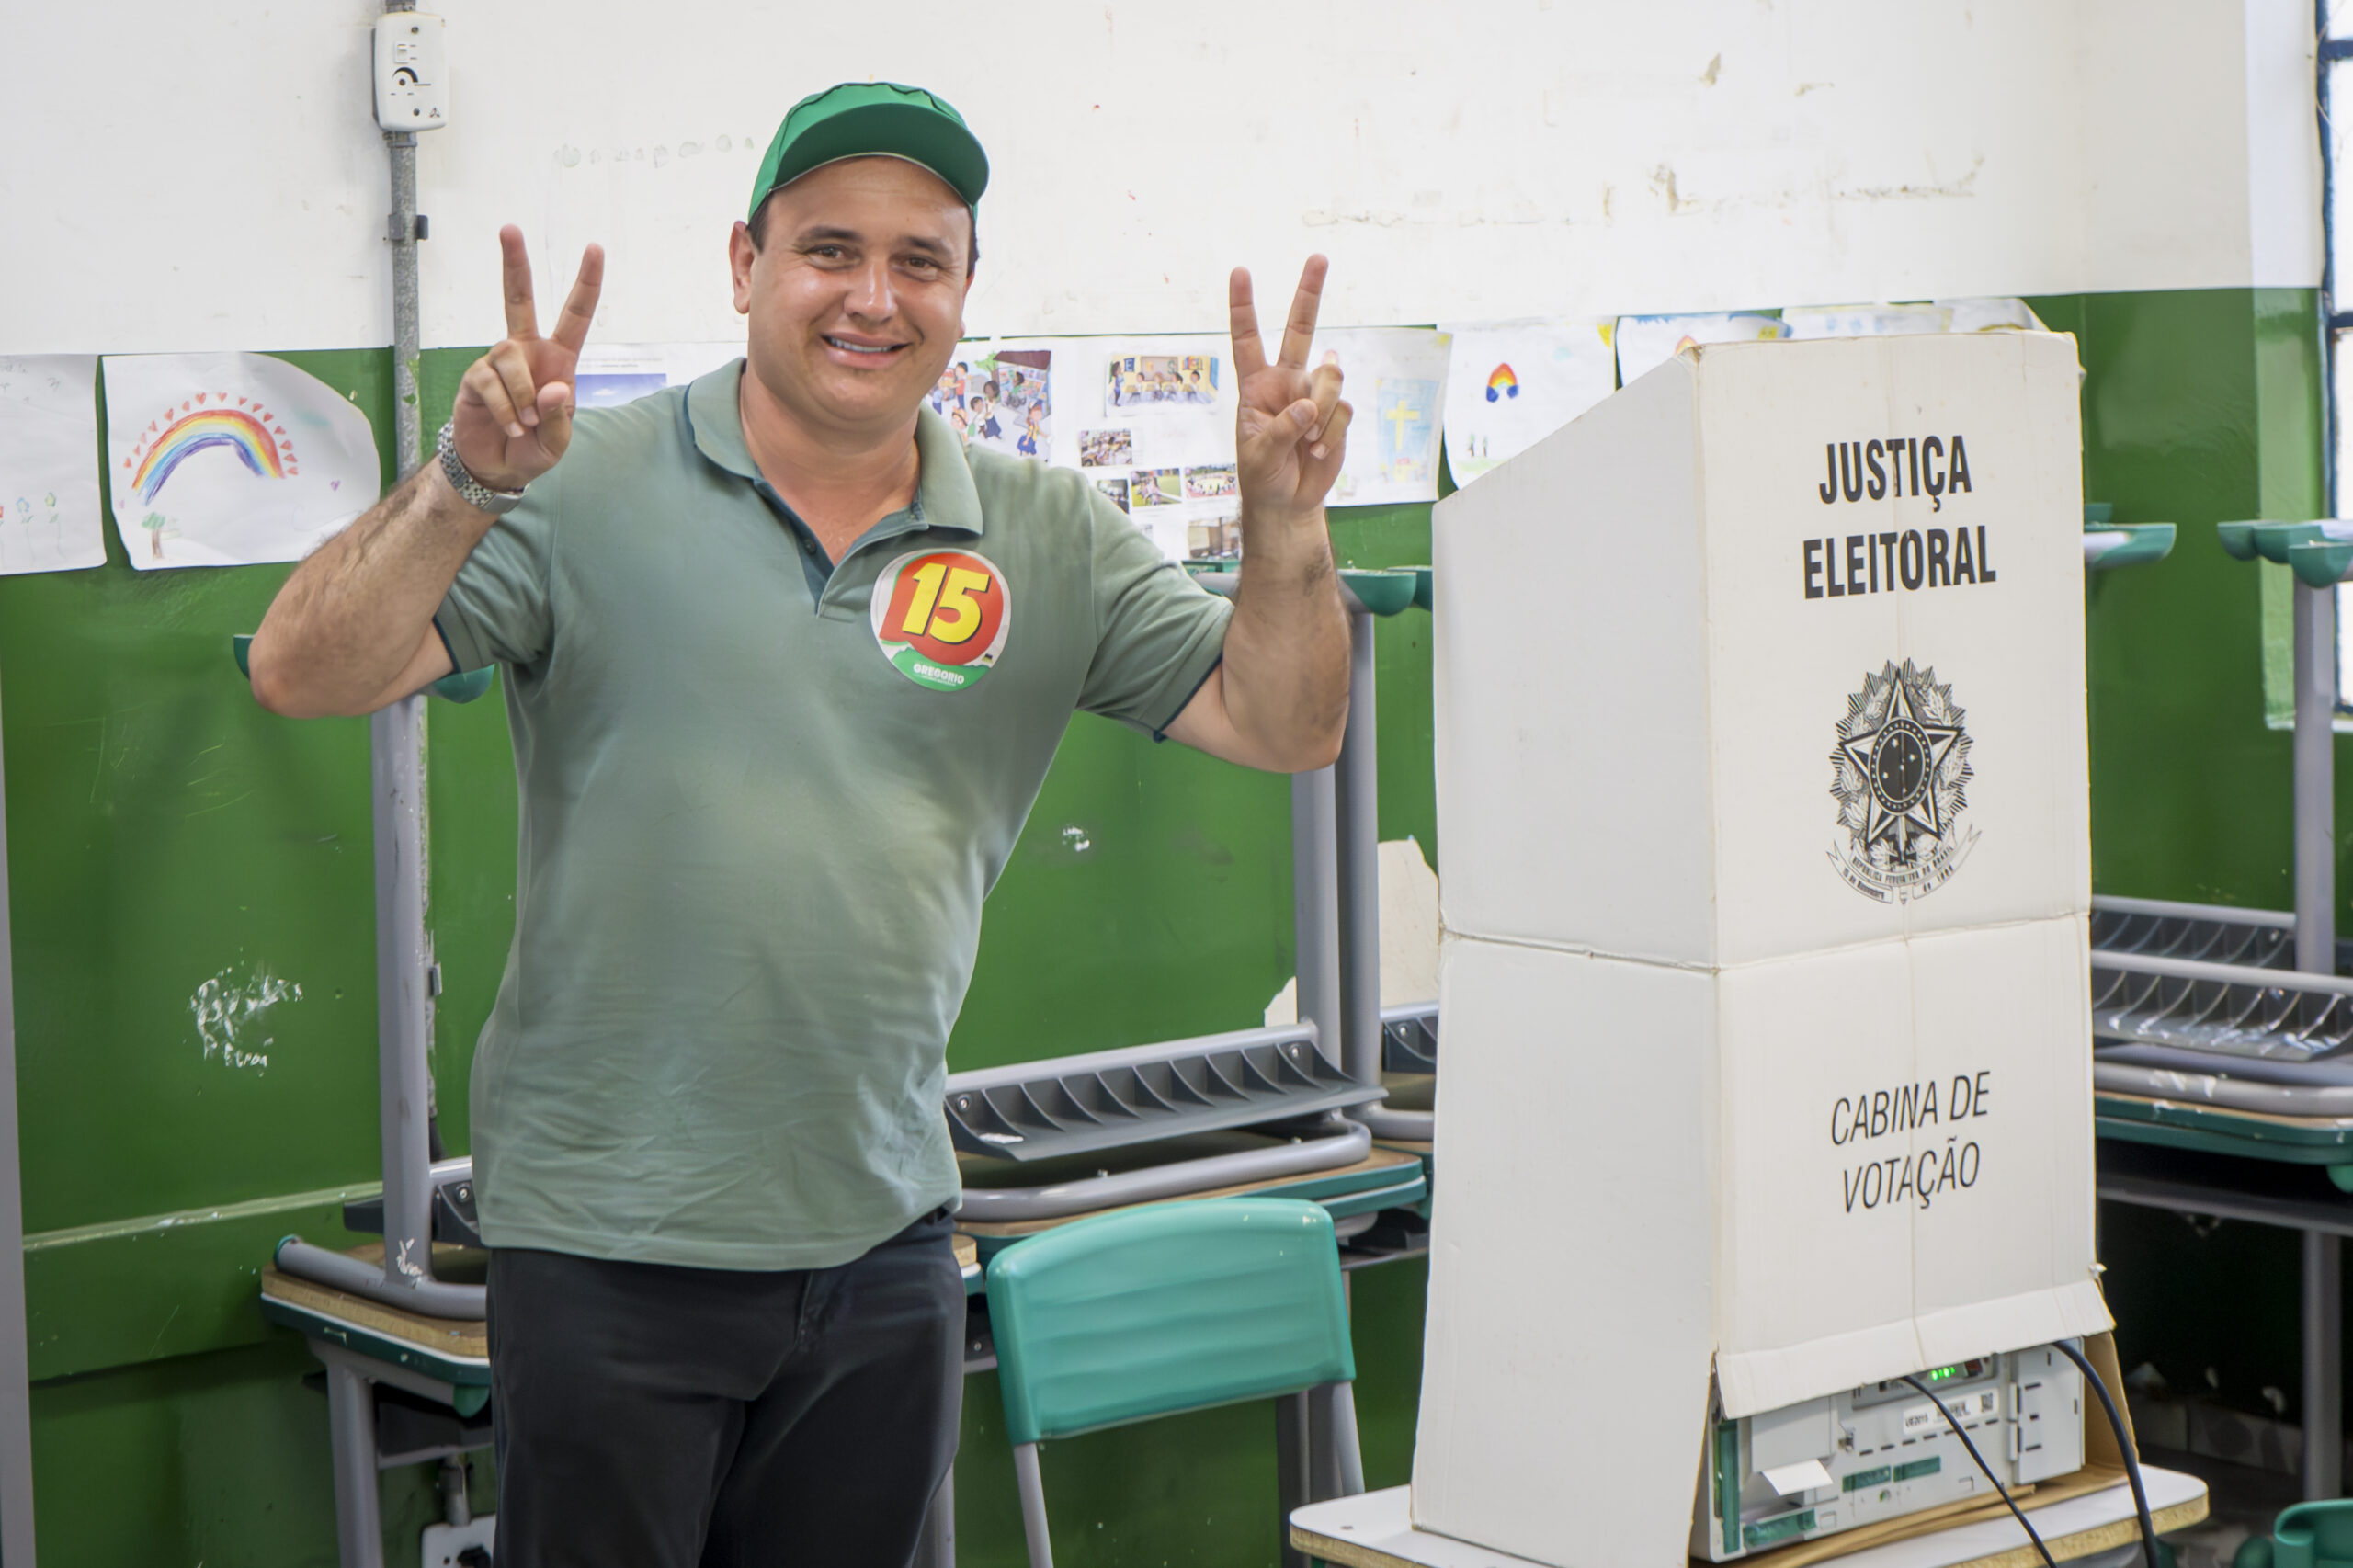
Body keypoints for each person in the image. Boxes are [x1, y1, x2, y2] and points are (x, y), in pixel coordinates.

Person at [244, 79, 1351, 1568]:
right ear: (744, 264)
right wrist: (465, 484)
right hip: (608, 1245)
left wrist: (1286, 524)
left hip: (884, 1236)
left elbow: (1289, 723)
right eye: (830, 248)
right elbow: (300, 668)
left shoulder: (1049, 534)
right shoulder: (584, 490)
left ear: (964, 292)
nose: (872, 297)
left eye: (920, 260)